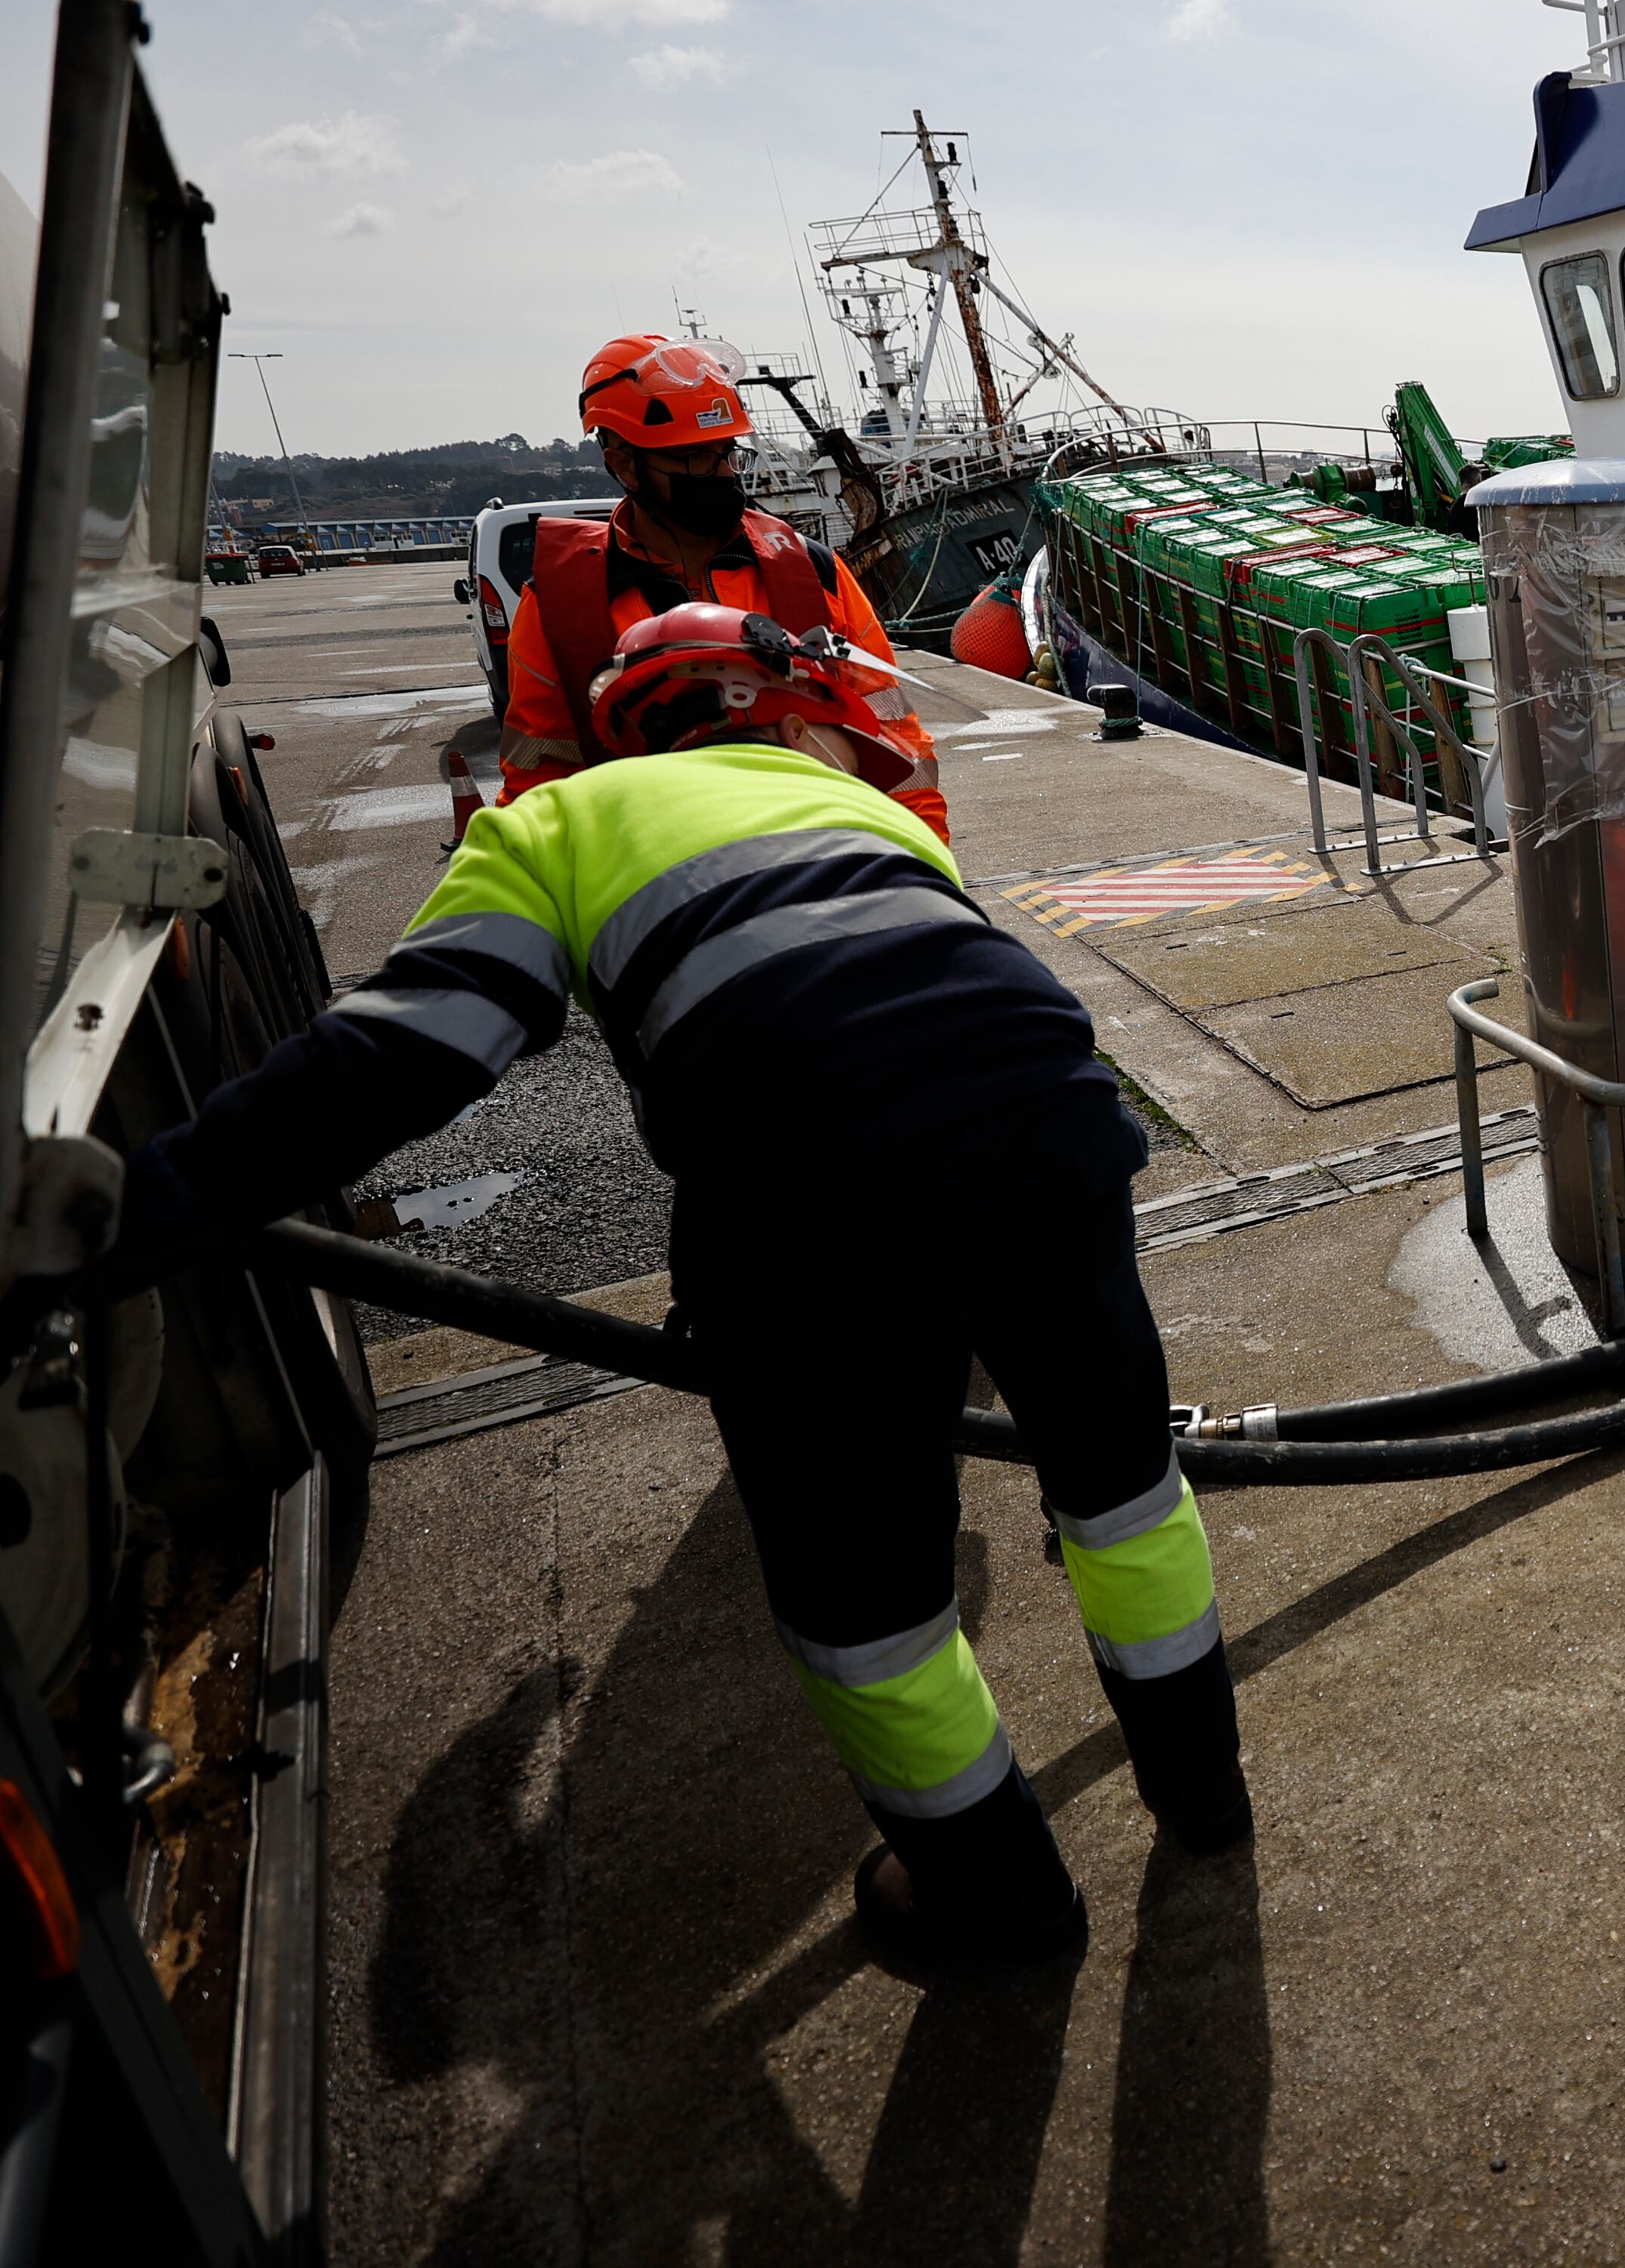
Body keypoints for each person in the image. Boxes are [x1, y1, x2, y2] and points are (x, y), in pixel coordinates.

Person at [101, 605, 1237, 1958]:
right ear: (777, 712)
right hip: (1058, 1129)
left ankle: (1000, 1910)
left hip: (819, 1199)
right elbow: (933, 1012)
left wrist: (139, 1212)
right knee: (1120, 1490)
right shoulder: (854, 803)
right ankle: (1205, 1795)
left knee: (869, 1606)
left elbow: (408, 1053)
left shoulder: (553, 828)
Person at [501, 334, 949, 839]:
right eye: (696, 457)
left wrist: (924, 860)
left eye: (727, 452)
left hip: (820, 861)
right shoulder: (561, 605)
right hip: (660, 882)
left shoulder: (812, 571)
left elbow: (894, 738)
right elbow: (536, 784)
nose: (721, 473)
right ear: (624, 462)